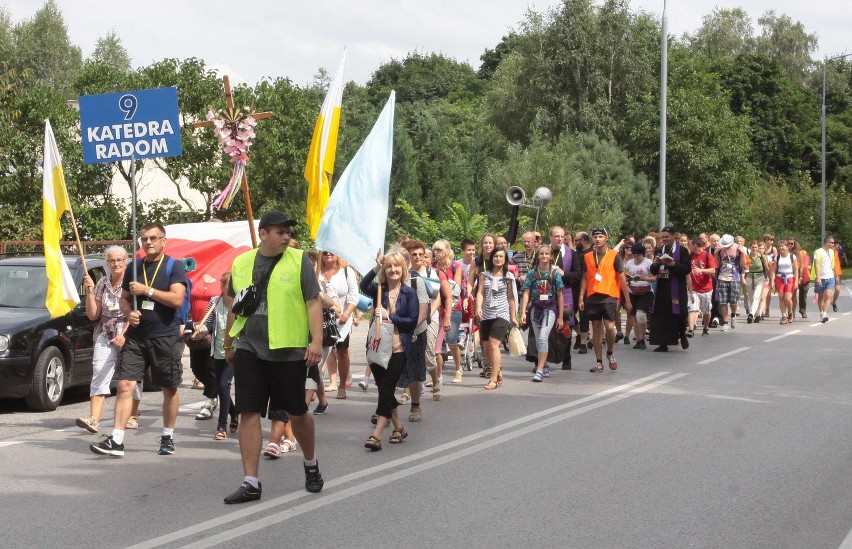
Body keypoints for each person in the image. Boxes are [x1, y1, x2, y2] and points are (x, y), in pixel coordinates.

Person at [221, 211, 324, 503]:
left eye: (287, 232)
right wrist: (228, 343)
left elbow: (313, 302)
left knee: (296, 412)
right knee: (248, 412)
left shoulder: (299, 259)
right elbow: (235, 306)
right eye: (280, 232)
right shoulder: (241, 262)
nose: (286, 237)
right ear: (263, 234)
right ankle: (251, 482)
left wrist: (315, 340)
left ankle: (311, 463)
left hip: (288, 350)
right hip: (249, 348)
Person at [89, 223, 187, 458]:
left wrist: (147, 291)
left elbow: (177, 300)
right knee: (124, 385)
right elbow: (124, 299)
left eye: (153, 238)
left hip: (165, 336)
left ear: (164, 240)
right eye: (144, 239)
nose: (148, 242)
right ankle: (117, 440)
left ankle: (167, 436)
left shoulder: (174, 266)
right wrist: (128, 313)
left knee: (169, 388)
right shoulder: (134, 266)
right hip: (136, 337)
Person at [76, 246, 142, 434]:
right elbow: (93, 314)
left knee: (131, 377)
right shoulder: (103, 283)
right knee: (99, 372)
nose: (116, 264)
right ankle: (94, 419)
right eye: (112, 261)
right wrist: (89, 291)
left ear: (126, 261)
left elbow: (138, 312)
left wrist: (125, 334)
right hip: (106, 333)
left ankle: (133, 414)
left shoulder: (132, 284)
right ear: (107, 263)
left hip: (129, 333)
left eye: (120, 260)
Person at [360, 250, 420, 451]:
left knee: (386, 388)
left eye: (396, 266)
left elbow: (411, 321)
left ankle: (376, 435)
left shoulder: (409, 293)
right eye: (388, 266)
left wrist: (389, 316)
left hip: (398, 349)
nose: (393, 270)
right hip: (377, 347)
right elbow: (363, 285)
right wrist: (376, 266)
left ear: (403, 269)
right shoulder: (380, 289)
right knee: (384, 390)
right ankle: (399, 428)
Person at [579, 228, 631, 371]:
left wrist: (627, 300)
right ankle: (599, 361)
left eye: (601, 236)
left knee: (609, 328)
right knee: (596, 328)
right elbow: (584, 277)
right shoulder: (588, 256)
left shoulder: (614, 255)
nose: (598, 239)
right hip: (592, 296)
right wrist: (581, 298)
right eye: (595, 236)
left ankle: (610, 352)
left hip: (609, 296)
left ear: (606, 238)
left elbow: (622, 278)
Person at [519, 245, 564, 382]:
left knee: (544, 337)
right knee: (539, 340)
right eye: (541, 254)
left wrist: (560, 317)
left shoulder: (554, 273)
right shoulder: (533, 273)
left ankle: (539, 370)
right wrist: (523, 311)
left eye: (546, 254)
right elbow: (526, 292)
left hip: (549, 309)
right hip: (535, 309)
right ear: (538, 256)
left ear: (551, 256)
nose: (544, 256)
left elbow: (560, 295)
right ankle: (544, 365)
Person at [475, 248, 518, 389]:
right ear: (491, 258)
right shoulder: (484, 275)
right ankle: (497, 369)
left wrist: (514, 316)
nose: (498, 259)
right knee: (486, 349)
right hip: (486, 313)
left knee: (494, 345)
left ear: (505, 259)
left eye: (501, 256)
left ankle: (493, 379)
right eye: (495, 256)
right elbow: (480, 292)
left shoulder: (509, 277)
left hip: (501, 313)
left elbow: (511, 298)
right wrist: (478, 307)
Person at [318, 251, 358, 398]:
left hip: (342, 320)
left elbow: (354, 295)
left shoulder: (346, 272)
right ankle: (315, 386)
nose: (328, 253)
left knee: (341, 351)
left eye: (331, 250)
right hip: (320, 319)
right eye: (324, 251)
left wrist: (347, 313)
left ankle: (342, 385)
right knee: (321, 352)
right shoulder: (316, 271)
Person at [648, 227, 690, 352]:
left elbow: (686, 269)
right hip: (662, 287)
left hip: (676, 286)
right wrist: (655, 264)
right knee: (661, 315)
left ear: (673, 236)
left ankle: (681, 333)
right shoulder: (659, 250)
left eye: (667, 236)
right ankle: (663, 343)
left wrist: (673, 265)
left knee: (680, 314)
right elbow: (653, 271)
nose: (664, 239)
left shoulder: (682, 250)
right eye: (663, 237)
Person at [207, 272, 238, 440]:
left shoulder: (240, 303)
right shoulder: (214, 302)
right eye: (228, 286)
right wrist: (199, 331)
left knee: (223, 384)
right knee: (221, 388)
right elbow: (208, 324)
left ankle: (221, 426)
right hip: (218, 352)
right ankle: (234, 412)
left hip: (234, 351)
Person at [626, 242, 654, 348]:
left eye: (638, 255)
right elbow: (625, 276)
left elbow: (654, 278)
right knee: (634, 317)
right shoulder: (629, 263)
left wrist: (644, 278)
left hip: (646, 291)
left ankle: (642, 339)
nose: (636, 257)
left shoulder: (648, 263)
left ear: (643, 254)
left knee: (641, 316)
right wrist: (628, 278)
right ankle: (638, 340)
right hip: (632, 291)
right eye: (634, 255)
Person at [688, 237, 716, 336]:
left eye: (690, 245)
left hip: (706, 288)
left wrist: (701, 270)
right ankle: (691, 330)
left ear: (695, 245)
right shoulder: (690, 256)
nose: (688, 247)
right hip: (694, 288)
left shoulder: (707, 255)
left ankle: (705, 327)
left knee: (706, 311)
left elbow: (713, 270)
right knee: (693, 308)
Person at [813, 235, 837, 323]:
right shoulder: (818, 252)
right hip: (821, 278)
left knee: (827, 295)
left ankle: (824, 314)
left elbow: (832, 264)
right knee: (820, 297)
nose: (833, 244)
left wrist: (835, 274)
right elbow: (816, 265)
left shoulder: (832, 251)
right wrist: (818, 277)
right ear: (827, 242)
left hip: (830, 277)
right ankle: (822, 313)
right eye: (832, 242)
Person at [775, 240, 799, 324]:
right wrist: (772, 280)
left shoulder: (792, 257)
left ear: (787, 247)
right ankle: (784, 316)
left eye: (783, 246)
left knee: (788, 298)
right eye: (780, 246)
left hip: (789, 278)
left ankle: (790, 312)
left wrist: (796, 282)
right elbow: (774, 270)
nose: (781, 248)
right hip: (779, 278)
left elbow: (796, 270)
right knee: (781, 297)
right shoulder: (777, 257)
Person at [743, 241, 768, 324]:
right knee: (751, 297)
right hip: (750, 277)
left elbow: (766, 268)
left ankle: (751, 314)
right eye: (753, 247)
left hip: (760, 277)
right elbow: (744, 268)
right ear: (750, 248)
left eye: (756, 247)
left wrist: (767, 278)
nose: (754, 249)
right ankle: (757, 315)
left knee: (756, 297)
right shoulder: (747, 257)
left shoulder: (762, 257)